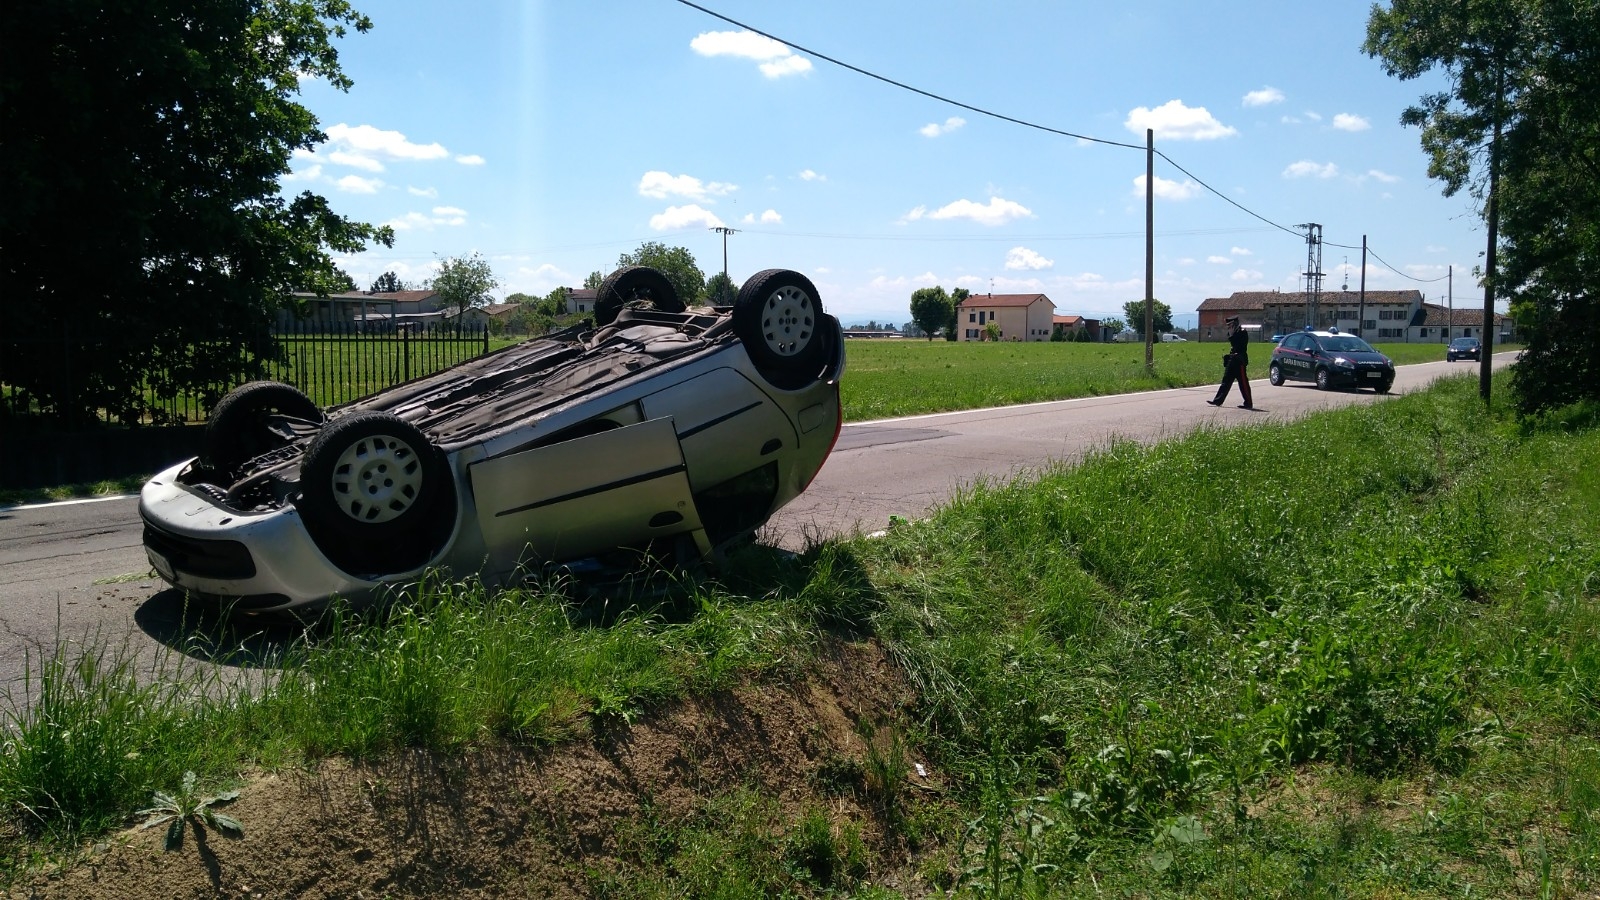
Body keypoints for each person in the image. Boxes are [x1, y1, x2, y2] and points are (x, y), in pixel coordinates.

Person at [1207, 315, 1254, 409]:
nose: (1229, 327)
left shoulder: (1242, 332)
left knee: (1243, 383)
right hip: (1232, 360)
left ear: (1235, 324)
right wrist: (1231, 335)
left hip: (1240, 361)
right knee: (1226, 381)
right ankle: (1218, 400)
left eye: (1230, 325)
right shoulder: (1231, 333)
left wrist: (1232, 336)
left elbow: (1239, 346)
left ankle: (1248, 403)